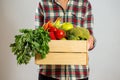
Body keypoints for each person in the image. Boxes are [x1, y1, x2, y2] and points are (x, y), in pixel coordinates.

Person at [35, 0, 95, 80]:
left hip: (78, 73)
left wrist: (91, 41)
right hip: (49, 74)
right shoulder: (43, 3)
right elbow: (37, 36)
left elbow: (89, 35)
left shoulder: (85, 4)